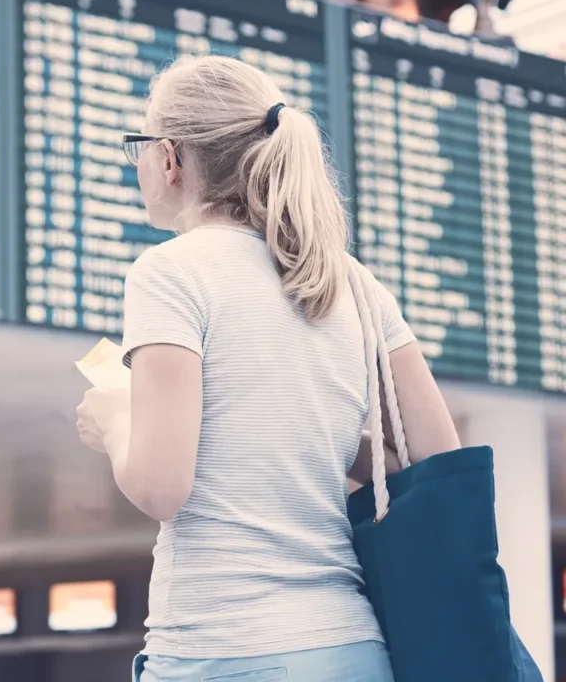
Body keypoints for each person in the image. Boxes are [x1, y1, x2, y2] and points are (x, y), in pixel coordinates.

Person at [74, 55, 462, 681]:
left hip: (221, 648)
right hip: (353, 653)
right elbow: (439, 459)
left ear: (170, 158)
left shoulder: (170, 273)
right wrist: (316, 437)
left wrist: (118, 422)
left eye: (139, 146)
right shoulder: (355, 284)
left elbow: (160, 485)